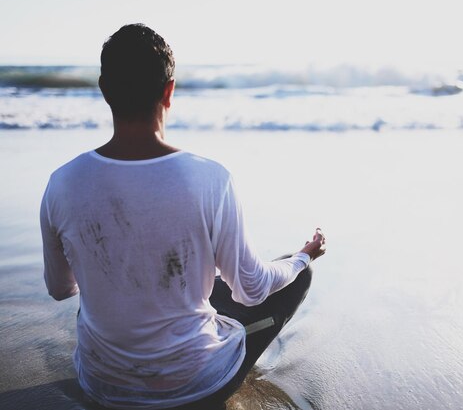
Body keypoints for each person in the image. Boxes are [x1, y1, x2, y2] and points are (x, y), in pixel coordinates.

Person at [40, 23, 326, 409]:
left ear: (104, 90)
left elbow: (62, 289)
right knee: (296, 275)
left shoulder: (62, 183)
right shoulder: (210, 179)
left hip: (102, 388)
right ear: (169, 91)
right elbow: (251, 288)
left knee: (104, 284)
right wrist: (303, 256)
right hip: (197, 386)